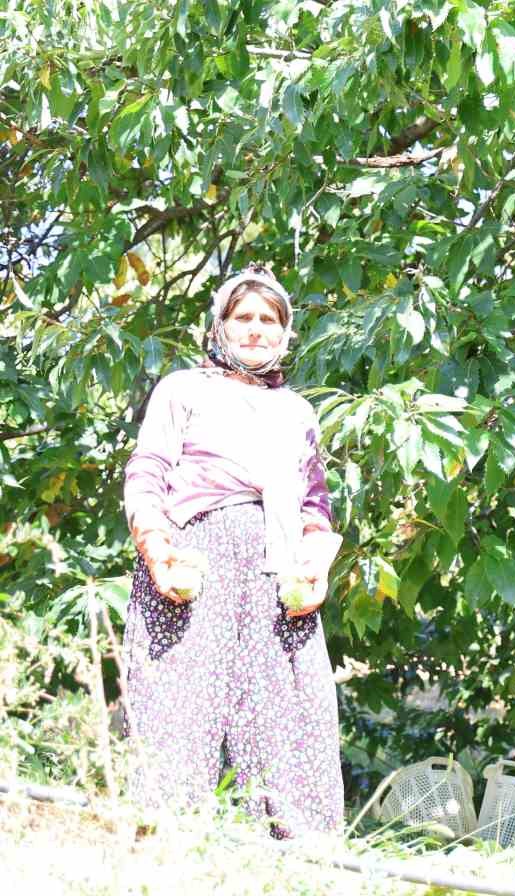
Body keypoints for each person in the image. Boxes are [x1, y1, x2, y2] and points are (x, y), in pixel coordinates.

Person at [122, 264, 343, 837]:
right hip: (196, 561)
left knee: (293, 713)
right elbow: (147, 473)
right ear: (219, 326)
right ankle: (165, 850)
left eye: (268, 320)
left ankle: (303, 861)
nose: (255, 330)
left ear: (285, 332)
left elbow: (315, 503)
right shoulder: (183, 390)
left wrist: (315, 567)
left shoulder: (297, 411)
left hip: (278, 573)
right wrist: (158, 550)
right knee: (178, 708)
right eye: (242, 317)